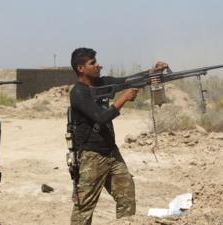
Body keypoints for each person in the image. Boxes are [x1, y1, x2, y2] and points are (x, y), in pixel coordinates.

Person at [69, 47, 167, 225]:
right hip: (91, 156)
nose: (98, 66)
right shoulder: (78, 93)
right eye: (93, 63)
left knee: (126, 195)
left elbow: (128, 80)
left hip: (111, 153)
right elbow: (100, 117)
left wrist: (153, 72)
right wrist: (123, 98)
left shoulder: (102, 83)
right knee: (84, 208)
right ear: (80, 68)